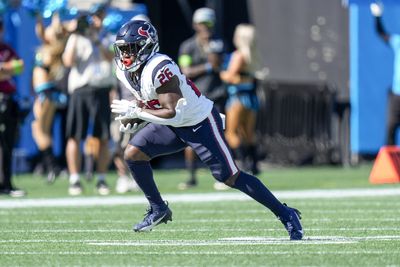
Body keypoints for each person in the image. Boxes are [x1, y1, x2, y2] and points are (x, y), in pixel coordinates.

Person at [110, 20, 303, 240]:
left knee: (230, 176)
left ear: (147, 46)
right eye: (123, 49)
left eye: (131, 48)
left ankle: (286, 214)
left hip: (198, 122)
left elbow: (173, 112)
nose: (126, 54)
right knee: (133, 154)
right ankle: (158, 209)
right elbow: (153, 104)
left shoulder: (159, 67)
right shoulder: (124, 72)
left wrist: (138, 111)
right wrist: (138, 116)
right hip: (173, 124)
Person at [62, 14, 115, 195]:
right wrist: (75, 33)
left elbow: (110, 57)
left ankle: (101, 178)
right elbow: (68, 62)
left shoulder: (106, 36)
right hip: (80, 90)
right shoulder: (76, 38)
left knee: (103, 136)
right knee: (75, 135)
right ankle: (75, 179)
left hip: (101, 90)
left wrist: (97, 39)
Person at [177, 7, 228, 190]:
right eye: (202, 24)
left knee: (219, 136)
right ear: (195, 25)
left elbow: (219, 64)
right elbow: (185, 72)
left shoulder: (217, 43)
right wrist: (207, 67)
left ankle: (222, 174)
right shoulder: (187, 46)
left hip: (217, 94)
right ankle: (191, 176)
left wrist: (210, 55)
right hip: (196, 97)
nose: (206, 27)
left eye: (208, 23)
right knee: (192, 137)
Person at [31, 12, 68, 183]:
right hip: (42, 93)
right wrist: (39, 15)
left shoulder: (54, 48)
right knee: (38, 129)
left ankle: (53, 166)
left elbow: (53, 30)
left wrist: (55, 15)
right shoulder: (48, 46)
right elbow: (40, 31)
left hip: (46, 92)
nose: (47, 31)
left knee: (40, 130)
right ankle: (51, 166)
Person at [220, 24, 261, 175]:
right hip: (251, 97)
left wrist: (221, 73)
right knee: (248, 134)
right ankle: (255, 165)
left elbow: (230, 76)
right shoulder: (254, 55)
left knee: (231, 133)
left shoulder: (238, 55)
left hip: (237, 98)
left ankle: (242, 165)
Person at [0, 17, 25, 197]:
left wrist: (4, 69)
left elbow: (20, 66)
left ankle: (6, 183)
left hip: (8, 100)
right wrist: (8, 68)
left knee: (8, 144)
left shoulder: (6, 48)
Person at [371, 3, 400, 146]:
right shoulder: (398, 42)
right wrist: (377, 16)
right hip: (397, 95)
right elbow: (381, 33)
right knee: (391, 128)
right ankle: (390, 165)